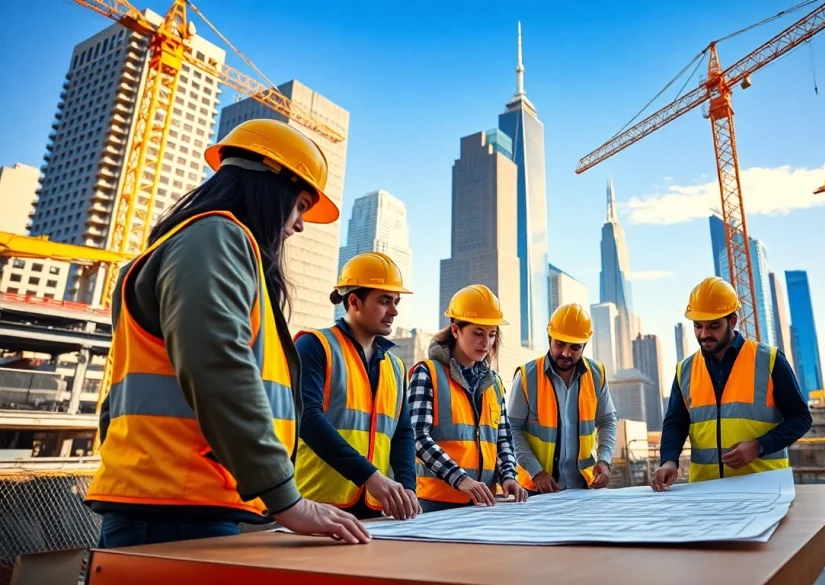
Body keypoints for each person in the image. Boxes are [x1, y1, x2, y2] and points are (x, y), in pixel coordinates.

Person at [85, 119, 371, 547]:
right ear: (272, 188)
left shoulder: (198, 244)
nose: (299, 225)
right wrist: (286, 498)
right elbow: (217, 365)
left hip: (178, 501)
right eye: (300, 206)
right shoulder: (215, 238)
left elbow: (117, 405)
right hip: (177, 508)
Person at [293, 252, 420, 521]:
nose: (394, 311)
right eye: (384, 301)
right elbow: (307, 418)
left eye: (396, 302)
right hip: (318, 504)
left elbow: (403, 432)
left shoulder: (395, 366)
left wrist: (407, 487)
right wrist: (369, 475)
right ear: (354, 301)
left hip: (377, 507)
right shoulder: (315, 346)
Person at [652, 276, 812, 490]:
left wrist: (758, 446)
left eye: (714, 326)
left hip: (765, 487)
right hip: (705, 489)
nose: (704, 334)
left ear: (733, 321)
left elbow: (801, 418)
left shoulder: (769, 360)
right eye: (698, 326)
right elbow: (675, 423)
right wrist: (669, 460)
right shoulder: (685, 370)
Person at [410, 284, 528, 512]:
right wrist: (459, 478)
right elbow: (417, 437)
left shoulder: (494, 383)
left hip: (482, 505)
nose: (486, 343)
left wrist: (508, 476)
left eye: (492, 335)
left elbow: (502, 439)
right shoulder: (427, 373)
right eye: (478, 333)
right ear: (455, 330)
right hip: (435, 503)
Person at [507, 303, 618, 493]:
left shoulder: (596, 374)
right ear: (550, 338)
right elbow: (511, 429)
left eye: (575, 347)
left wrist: (604, 460)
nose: (566, 353)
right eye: (560, 344)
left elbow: (607, 421)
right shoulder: (527, 376)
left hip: (583, 487)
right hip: (535, 488)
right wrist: (536, 471)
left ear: (584, 346)